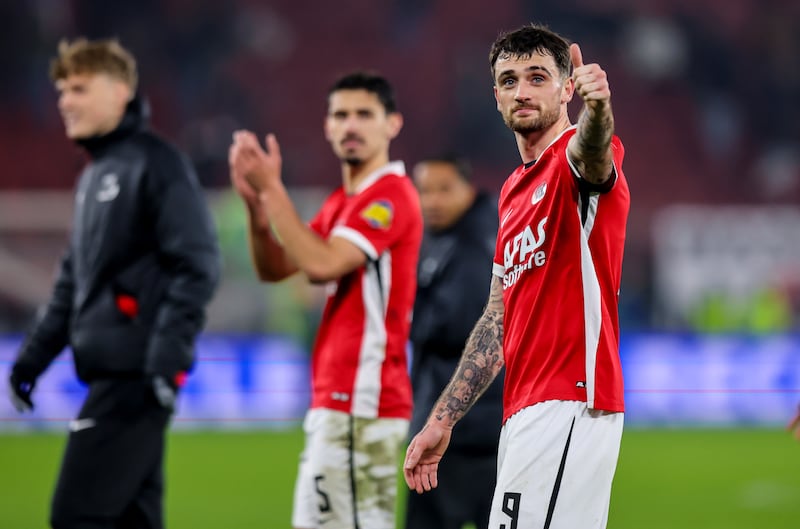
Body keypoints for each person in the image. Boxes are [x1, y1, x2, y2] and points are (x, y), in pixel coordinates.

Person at [403, 23, 630, 529]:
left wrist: (599, 111)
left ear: (567, 88)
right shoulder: (511, 192)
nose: (521, 91)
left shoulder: (574, 157)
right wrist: (443, 419)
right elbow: (496, 316)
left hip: (570, 400)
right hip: (523, 408)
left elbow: (592, 155)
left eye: (537, 77)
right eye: (509, 81)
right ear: (496, 96)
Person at [7, 38, 221, 529]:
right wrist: (33, 359)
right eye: (61, 90)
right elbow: (73, 282)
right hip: (116, 374)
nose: (64, 100)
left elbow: (199, 262)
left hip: (135, 378)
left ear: (122, 90)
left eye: (79, 87)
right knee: (132, 520)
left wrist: (165, 359)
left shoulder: (155, 163)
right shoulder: (95, 176)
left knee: (76, 516)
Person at [228, 71, 422, 529]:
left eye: (363, 114)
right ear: (327, 127)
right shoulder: (343, 202)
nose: (350, 125)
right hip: (342, 401)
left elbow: (322, 264)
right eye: (340, 115)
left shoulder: (389, 196)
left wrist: (273, 188)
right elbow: (276, 268)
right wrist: (259, 214)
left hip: (361, 401)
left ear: (392, 124)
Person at [404, 156, 502, 529]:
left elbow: (459, 324)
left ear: (468, 189)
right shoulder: (443, 238)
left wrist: (408, 316)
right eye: (425, 190)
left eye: (444, 189)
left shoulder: (474, 243)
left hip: (464, 434)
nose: (432, 201)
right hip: (476, 427)